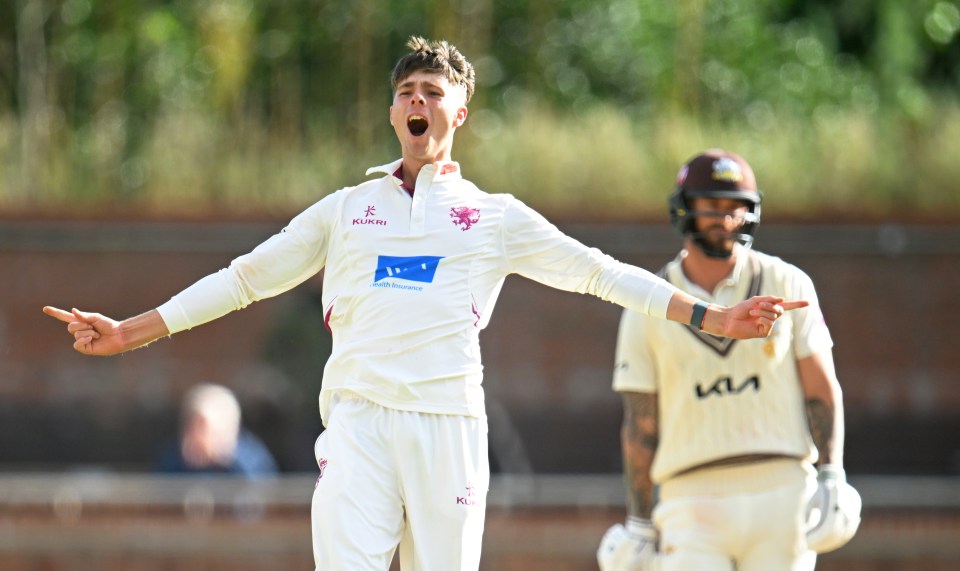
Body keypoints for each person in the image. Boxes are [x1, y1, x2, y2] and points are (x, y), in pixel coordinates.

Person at [43, 38, 807, 571]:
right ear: (392, 114)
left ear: (458, 115)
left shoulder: (495, 216)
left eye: (432, 93)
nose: (417, 101)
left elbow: (599, 273)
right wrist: (131, 331)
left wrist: (713, 317)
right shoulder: (346, 209)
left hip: (447, 425)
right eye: (406, 92)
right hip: (360, 421)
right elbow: (246, 277)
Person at [597, 149, 860, 571]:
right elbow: (641, 424)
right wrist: (640, 521)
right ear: (685, 208)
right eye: (713, 205)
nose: (726, 218)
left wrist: (832, 473)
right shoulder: (645, 304)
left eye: (737, 207)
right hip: (691, 498)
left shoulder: (787, 281)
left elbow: (821, 387)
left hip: (781, 489)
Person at [155, 382, 278, 477]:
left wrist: (222, 457)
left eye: (203, 426)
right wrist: (186, 460)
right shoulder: (174, 455)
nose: (197, 432)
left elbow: (265, 491)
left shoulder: (249, 456)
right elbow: (160, 490)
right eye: (193, 424)